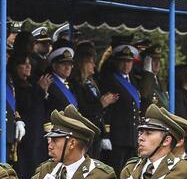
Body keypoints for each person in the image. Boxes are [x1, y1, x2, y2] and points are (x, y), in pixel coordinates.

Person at [99, 42, 142, 172]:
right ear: (116, 62)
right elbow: (108, 111)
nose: (126, 65)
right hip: (117, 136)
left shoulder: (133, 80)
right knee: (117, 171)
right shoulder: (110, 81)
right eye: (123, 61)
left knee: (130, 172)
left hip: (132, 135)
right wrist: (106, 134)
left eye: (129, 61)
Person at [69, 48, 118, 160]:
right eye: (91, 62)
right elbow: (82, 109)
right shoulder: (77, 84)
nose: (94, 65)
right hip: (86, 130)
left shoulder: (92, 82)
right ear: (83, 64)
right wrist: (102, 104)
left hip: (97, 130)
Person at [13, 54, 47, 179]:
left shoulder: (32, 82)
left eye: (29, 63)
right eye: (23, 64)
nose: (28, 66)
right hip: (24, 133)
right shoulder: (15, 84)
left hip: (37, 132)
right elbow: (25, 104)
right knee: (25, 169)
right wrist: (40, 89)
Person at [137, 44, 168, 109]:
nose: (157, 64)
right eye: (154, 60)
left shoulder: (161, 82)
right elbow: (145, 95)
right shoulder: (143, 79)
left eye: (158, 60)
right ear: (147, 62)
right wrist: (147, 71)